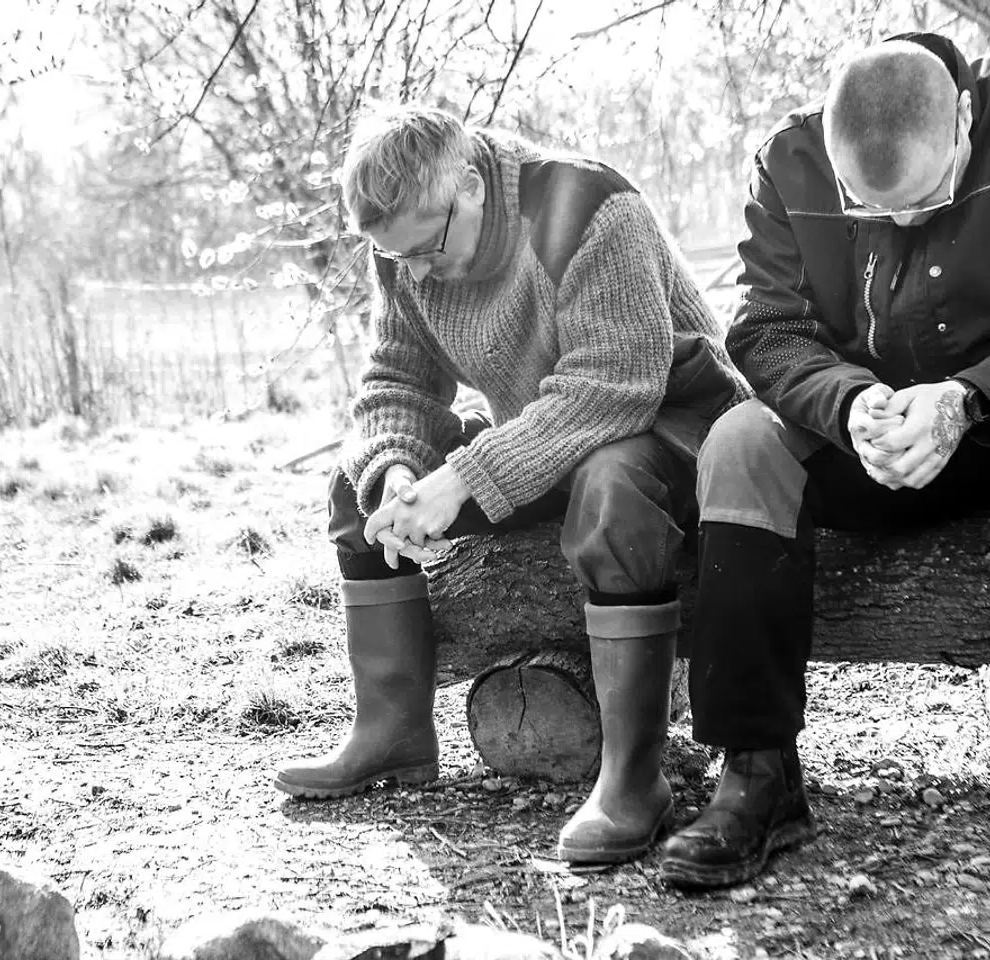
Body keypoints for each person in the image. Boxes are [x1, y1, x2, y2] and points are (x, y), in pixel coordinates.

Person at [657, 33, 990, 918]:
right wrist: (846, 404)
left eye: (926, 201)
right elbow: (765, 328)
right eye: (873, 210)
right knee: (738, 444)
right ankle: (756, 772)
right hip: (874, 435)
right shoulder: (788, 159)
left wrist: (969, 399)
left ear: (963, 117)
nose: (905, 223)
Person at [272, 104, 746, 868]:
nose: (415, 272)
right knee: (351, 486)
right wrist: (398, 469)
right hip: (549, 429)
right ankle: (390, 732)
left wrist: (465, 477)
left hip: (676, 423)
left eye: (426, 249)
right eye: (398, 260)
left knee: (611, 481)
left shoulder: (590, 207)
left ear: (470, 183)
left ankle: (634, 778)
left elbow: (614, 386)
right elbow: (397, 378)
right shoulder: (407, 246)